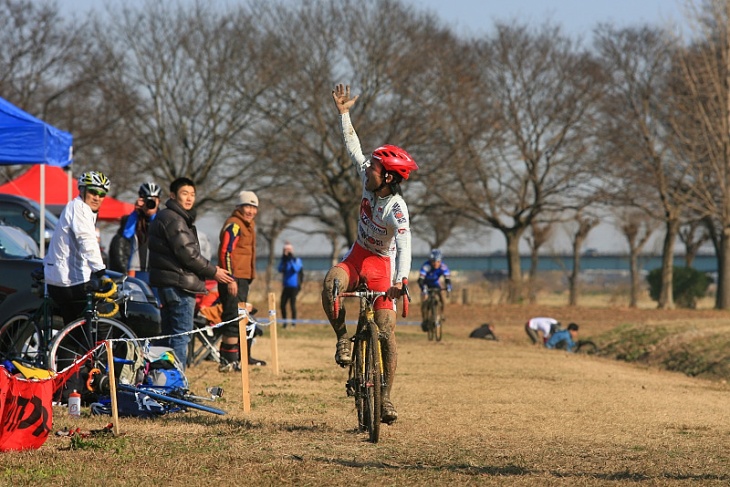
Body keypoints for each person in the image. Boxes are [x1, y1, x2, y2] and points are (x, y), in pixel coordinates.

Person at [321, 83, 418, 425]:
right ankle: (342, 340)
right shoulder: (369, 175)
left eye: (375, 168)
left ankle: (387, 397)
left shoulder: (396, 207)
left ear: (388, 177)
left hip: (382, 267)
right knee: (332, 283)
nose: (368, 169)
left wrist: (400, 281)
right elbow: (354, 148)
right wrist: (344, 113)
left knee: (388, 333)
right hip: (357, 255)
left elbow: (405, 244)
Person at [148, 177, 234, 367]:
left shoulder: (166, 217)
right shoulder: (174, 219)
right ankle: (177, 382)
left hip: (168, 283)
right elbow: (189, 255)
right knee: (181, 336)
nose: (189, 198)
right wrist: (214, 272)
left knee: (167, 335)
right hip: (179, 285)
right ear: (172, 195)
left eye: (192, 194)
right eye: (184, 193)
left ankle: (160, 379)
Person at [44, 171, 111, 325]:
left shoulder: (82, 209)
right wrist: (100, 270)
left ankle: (63, 348)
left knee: (74, 330)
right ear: (82, 190)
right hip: (67, 280)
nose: (97, 197)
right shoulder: (79, 208)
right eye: (93, 192)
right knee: (86, 327)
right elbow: (86, 239)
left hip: (65, 277)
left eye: (101, 194)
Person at [217, 190, 266, 371]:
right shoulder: (235, 225)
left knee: (239, 318)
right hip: (233, 278)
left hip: (243, 278)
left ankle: (235, 359)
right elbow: (226, 252)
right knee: (232, 318)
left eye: (254, 207)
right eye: (247, 206)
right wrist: (230, 279)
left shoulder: (248, 225)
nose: (251, 211)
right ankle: (227, 362)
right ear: (238, 207)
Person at [108, 182, 161, 285]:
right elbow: (126, 235)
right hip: (136, 270)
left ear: (159, 201)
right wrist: (136, 212)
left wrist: (153, 214)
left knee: (156, 300)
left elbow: (156, 225)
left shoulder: (163, 219)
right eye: (147, 199)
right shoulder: (133, 219)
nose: (150, 203)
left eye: (154, 200)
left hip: (156, 270)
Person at [417, 248, 452, 331]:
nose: (436, 264)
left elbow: (447, 279)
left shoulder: (443, 267)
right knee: (424, 300)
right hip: (425, 284)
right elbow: (420, 280)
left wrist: (448, 287)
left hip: (436, 283)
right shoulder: (426, 266)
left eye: (438, 261)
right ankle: (425, 319)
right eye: (434, 261)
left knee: (442, 299)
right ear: (430, 261)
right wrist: (423, 289)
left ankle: (441, 314)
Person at [278, 241, 303, 328]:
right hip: (286, 286)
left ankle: (293, 323)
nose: (287, 252)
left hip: (294, 286)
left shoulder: (296, 260)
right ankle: (285, 323)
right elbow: (280, 269)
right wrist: (284, 260)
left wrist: (291, 259)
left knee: (292, 305)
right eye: (285, 250)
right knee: (282, 304)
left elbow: (296, 269)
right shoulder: (284, 261)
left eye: (288, 250)